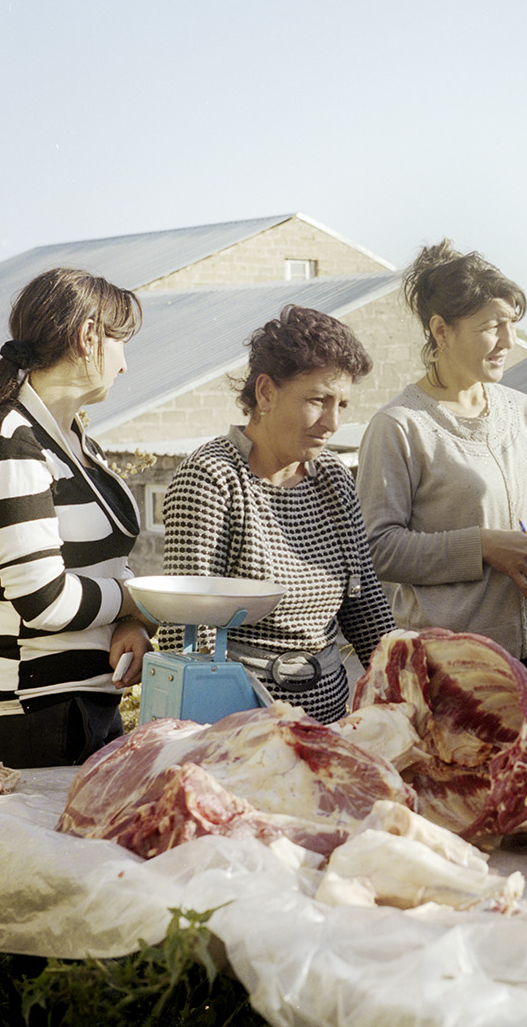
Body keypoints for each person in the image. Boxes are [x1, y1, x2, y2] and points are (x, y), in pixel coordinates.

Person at [356, 241, 527, 688]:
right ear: (441, 330)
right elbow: (377, 549)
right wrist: (480, 546)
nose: (509, 342)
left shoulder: (521, 410)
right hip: (454, 671)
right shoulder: (400, 427)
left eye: (512, 324)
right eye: (492, 327)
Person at [159, 305, 394, 724]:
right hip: (239, 723)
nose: (333, 422)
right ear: (266, 393)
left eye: (342, 404)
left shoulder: (333, 480)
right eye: (319, 400)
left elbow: (364, 606)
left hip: (329, 722)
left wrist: (404, 676)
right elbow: (188, 630)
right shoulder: (212, 478)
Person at [0, 267, 149, 767]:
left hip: (85, 711)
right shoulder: (10, 446)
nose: (124, 364)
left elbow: (100, 570)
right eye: (120, 342)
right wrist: (140, 599)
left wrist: (130, 619)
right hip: (30, 719)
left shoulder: (76, 442)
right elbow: (44, 601)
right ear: (88, 337)